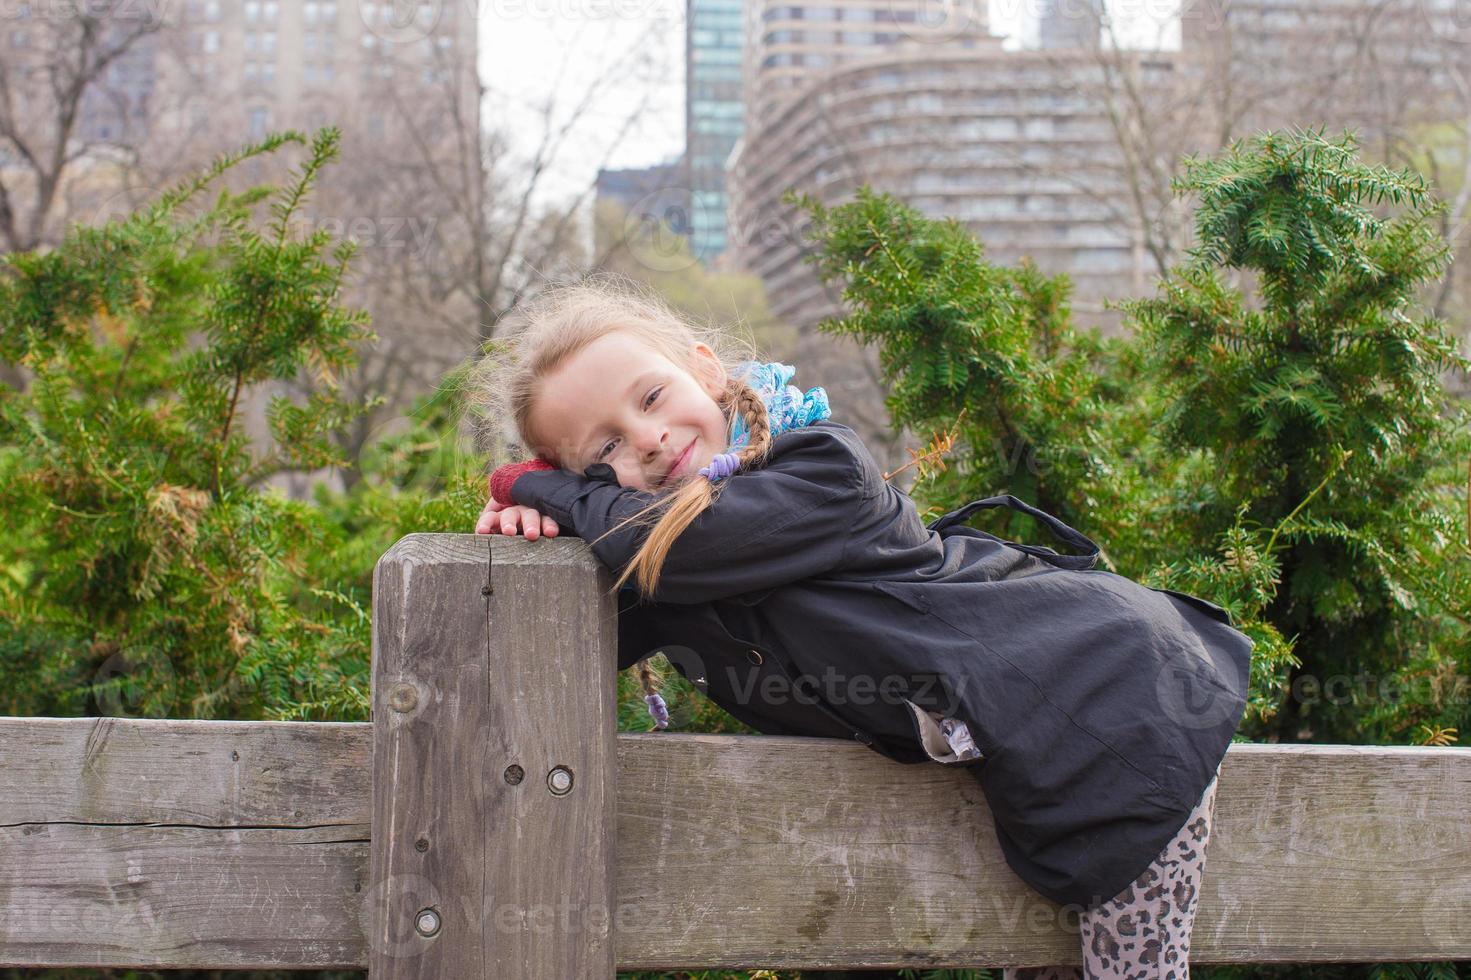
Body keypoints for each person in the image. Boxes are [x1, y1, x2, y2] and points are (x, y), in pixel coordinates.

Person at [468, 274, 1252, 978]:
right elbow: (551, 640)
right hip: (1034, 742)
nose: (645, 438)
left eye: (649, 398)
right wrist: (531, 535)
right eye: (604, 447)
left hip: (1118, 689)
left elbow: (671, 541)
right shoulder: (666, 569)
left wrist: (539, 487)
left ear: (705, 370)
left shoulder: (821, 469)